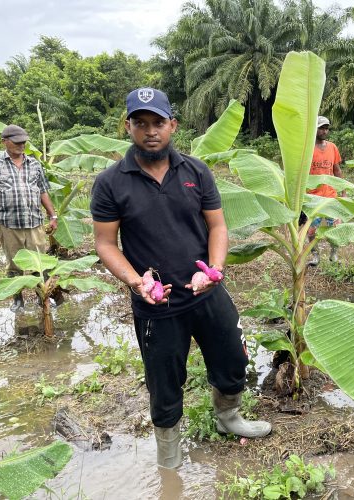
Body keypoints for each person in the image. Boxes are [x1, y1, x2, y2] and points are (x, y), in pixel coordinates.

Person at [90, 87, 271, 469]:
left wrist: (215, 269)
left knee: (233, 360)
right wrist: (136, 282)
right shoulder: (110, 182)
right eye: (141, 123)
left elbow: (218, 226)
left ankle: (229, 418)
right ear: (128, 127)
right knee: (164, 383)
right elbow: (105, 243)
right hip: (157, 305)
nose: (150, 131)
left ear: (172, 125)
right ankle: (169, 457)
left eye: (158, 122)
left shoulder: (195, 171)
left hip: (206, 292)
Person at [0, 124, 60, 312]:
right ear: (4, 142)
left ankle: (43, 296)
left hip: (34, 222)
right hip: (9, 224)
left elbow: (43, 191)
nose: (21, 145)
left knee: (40, 262)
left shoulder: (34, 163)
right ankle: (17, 299)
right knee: (13, 264)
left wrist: (53, 215)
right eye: (17, 142)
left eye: (23, 142)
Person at [306, 115, 343, 266]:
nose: (324, 131)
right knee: (311, 231)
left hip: (330, 195)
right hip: (312, 197)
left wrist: (344, 192)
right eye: (321, 127)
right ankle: (315, 256)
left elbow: (337, 171)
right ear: (314, 129)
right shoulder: (307, 149)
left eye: (326, 128)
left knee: (335, 227)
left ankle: (334, 253)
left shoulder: (332, 147)